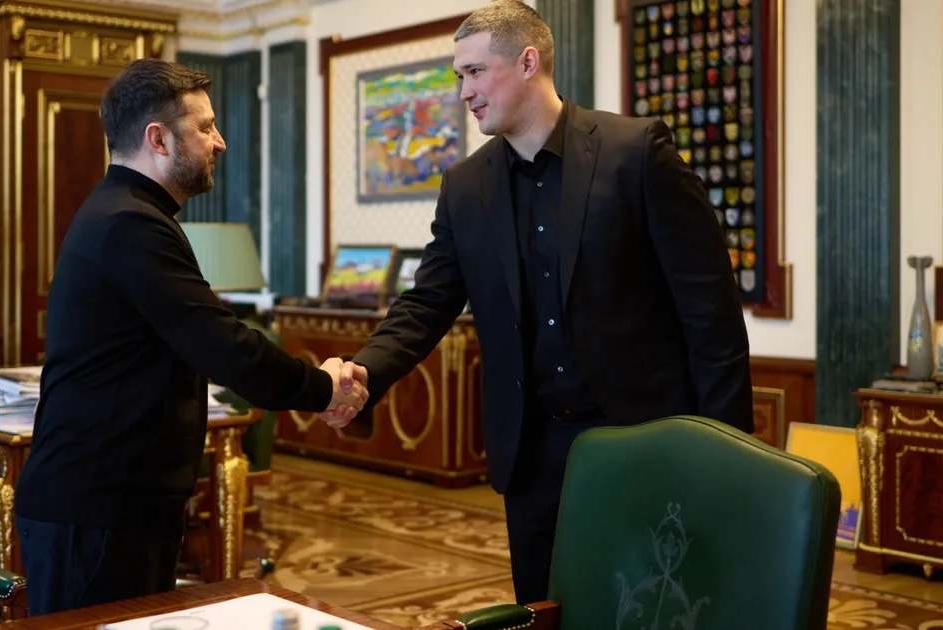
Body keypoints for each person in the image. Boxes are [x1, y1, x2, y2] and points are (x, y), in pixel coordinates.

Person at [320, 0, 752, 605]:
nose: (464, 93)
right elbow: (427, 302)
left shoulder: (636, 152)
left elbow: (711, 312)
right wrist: (367, 369)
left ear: (528, 62)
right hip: (530, 454)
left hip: (643, 439)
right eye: (459, 76)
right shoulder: (464, 186)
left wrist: (726, 455)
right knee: (544, 610)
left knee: (648, 610)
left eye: (475, 72)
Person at [14, 58, 368, 616]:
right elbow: (221, 343)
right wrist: (322, 388)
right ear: (158, 139)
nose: (219, 141)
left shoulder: (131, 213)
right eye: (204, 127)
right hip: (97, 508)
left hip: (117, 503)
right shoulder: (130, 223)